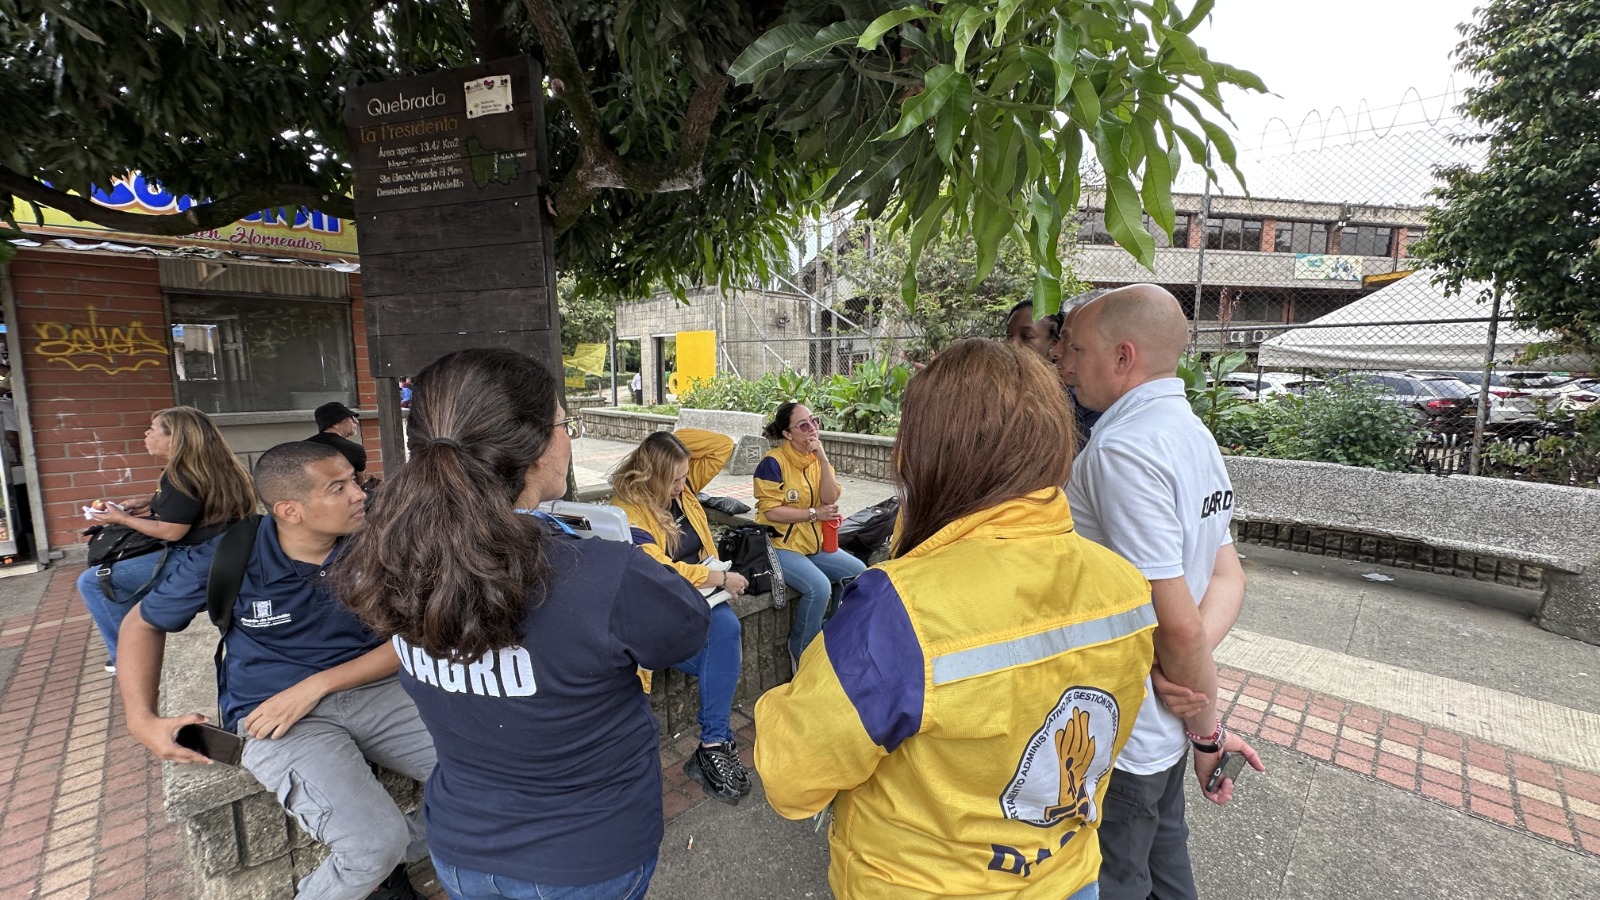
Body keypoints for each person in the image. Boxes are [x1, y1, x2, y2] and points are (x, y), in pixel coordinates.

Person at [755, 338, 1158, 900]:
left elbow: (791, 777)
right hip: (1068, 878)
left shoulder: (899, 611)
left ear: (928, 453)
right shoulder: (1127, 585)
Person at [335, 348, 709, 900]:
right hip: (584, 857)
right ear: (535, 448)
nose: (570, 438)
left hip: (461, 848)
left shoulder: (392, 560)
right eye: (565, 424)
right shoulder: (603, 573)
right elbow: (687, 630)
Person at [117, 441, 433, 900]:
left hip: (377, 689)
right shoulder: (229, 556)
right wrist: (141, 720)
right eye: (338, 488)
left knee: (502, 777)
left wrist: (317, 684)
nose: (359, 494)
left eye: (355, 481)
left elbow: (411, 641)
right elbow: (141, 624)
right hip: (273, 714)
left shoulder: (379, 543)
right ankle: (377, 864)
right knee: (371, 844)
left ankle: (397, 861)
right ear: (290, 510)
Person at [1061, 284, 1264, 900]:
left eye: (1074, 348)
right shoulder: (1192, 434)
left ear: (1123, 357)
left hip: (1125, 731)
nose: (1063, 363)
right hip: (1162, 726)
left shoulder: (1122, 450)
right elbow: (1228, 578)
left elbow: (1175, 623)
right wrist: (1185, 668)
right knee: (1169, 876)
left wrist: (1204, 724)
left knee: (1118, 880)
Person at [609, 429, 751, 804]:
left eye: (685, 476)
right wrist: (719, 577)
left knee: (724, 635)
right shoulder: (628, 512)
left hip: (696, 601)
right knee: (721, 643)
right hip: (658, 609)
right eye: (674, 479)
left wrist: (666, 443)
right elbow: (662, 572)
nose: (683, 486)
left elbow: (721, 446)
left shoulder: (680, 490)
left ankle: (714, 744)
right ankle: (715, 746)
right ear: (652, 476)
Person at [78, 406, 255, 673]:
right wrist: (150, 503)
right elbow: (193, 505)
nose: (146, 434)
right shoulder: (214, 466)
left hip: (202, 558)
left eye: (152, 429)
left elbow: (172, 531)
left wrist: (121, 519)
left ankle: (127, 658)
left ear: (176, 438)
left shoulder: (180, 475)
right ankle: (140, 634)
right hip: (228, 549)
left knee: (93, 581)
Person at [753, 402, 867, 664]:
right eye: (804, 425)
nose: (812, 429)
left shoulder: (816, 459)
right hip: (780, 545)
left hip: (813, 545)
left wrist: (824, 460)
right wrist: (813, 514)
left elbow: (829, 497)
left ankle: (830, 635)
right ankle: (802, 650)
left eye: (814, 421)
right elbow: (770, 512)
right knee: (819, 587)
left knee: (857, 574)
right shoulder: (772, 463)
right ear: (788, 434)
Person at [307, 401, 366, 475]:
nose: (356, 422)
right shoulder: (354, 449)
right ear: (335, 424)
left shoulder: (302, 447)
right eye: (351, 418)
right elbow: (360, 481)